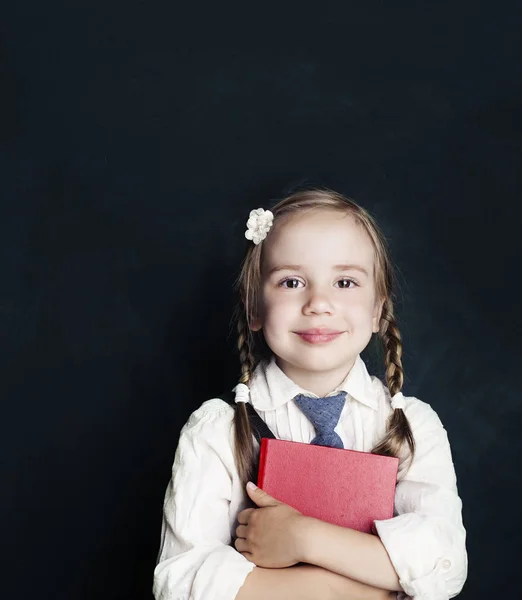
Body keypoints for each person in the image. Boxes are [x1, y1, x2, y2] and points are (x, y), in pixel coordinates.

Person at [153, 188, 468, 600]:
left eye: (345, 281)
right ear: (254, 307)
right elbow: (182, 583)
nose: (319, 303)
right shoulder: (216, 431)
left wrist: (304, 538)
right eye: (291, 281)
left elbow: (442, 564)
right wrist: (358, 590)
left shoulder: (412, 427)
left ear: (377, 309)